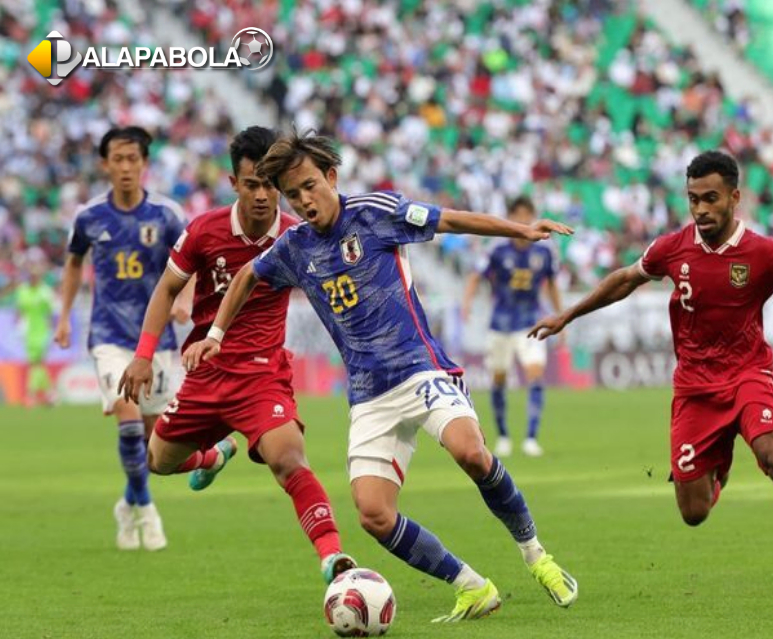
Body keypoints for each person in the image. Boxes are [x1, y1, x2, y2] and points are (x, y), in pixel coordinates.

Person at [183, 131, 579, 622]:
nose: (303, 200)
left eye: (309, 186)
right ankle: (472, 587)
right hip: (369, 396)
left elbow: (447, 218)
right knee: (372, 514)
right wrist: (217, 332)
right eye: (293, 194)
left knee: (471, 451)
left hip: (420, 369)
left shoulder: (374, 211)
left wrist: (518, 230)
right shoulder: (294, 247)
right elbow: (246, 276)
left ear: (330, 177)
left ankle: (537, 556)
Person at [530, 150, 773, 593]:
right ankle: (719, 466)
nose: (700, 209)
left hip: (749, 375)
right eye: (693, 199)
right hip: (694, 388)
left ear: (735, 197)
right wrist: (568, 315)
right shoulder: (673, 247)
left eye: (710, 198)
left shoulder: (764, 252)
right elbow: (625, 279)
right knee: (694, 514)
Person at [117, 126, 355, 584]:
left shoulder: (297, 236)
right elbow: (167, 288)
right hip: (206, 372)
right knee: (157, 461)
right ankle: (214, 455)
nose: (263, 195)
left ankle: (334, 558)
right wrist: (144, 354)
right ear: (234, 184)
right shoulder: (204, 230)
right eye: (252, 184)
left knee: (289, 460)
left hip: (262, 374)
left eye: (270, 185)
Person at [54, 126, 192, 552]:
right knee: (128, 421)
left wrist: (184, 299)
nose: (127, 167)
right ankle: (148, 511)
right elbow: (75, 263)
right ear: (105, 164)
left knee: (154, 448)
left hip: (157, 342)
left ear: (145, 163)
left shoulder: (167, 215)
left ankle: (128, 502)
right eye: (119, 159)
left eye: (134, 159)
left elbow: (191, 264)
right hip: (109, 337)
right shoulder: (89, 217)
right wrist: (64, 318)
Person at [460, 195, 564, 457]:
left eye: (526, 215)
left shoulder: (544, 251)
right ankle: (504, 435)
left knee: (535, 374)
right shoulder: (498, 250)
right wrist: (467, 303)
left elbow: (551, 285)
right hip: (500, 324)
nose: (522, 220)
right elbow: (475, 276)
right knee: (499, 379)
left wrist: (562, 316)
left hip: (531, 322)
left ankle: (531, 437)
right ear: (510, 217)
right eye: (517, 215)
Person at [15, 261, 55, 407]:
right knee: (38, 364)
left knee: (36, 363)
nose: (33, 278)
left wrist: (52, 331)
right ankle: (50, 394)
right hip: (28, 332)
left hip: (43, 332)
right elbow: (19, 311)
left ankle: (31, 395)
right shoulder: (23, 291)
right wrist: (18, 327)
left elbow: (51, 313)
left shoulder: (45, 292)